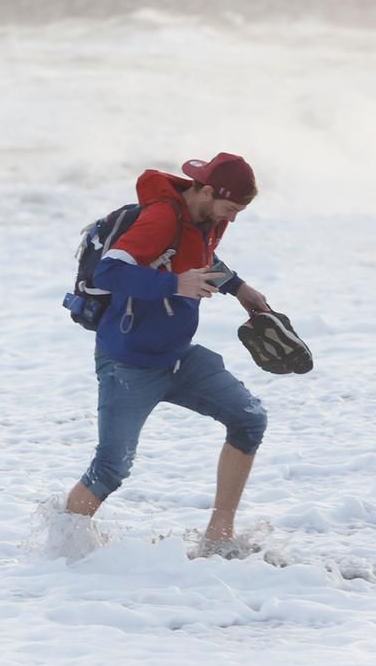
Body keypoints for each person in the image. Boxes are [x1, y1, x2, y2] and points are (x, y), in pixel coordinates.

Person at [64, 152, 271, 556]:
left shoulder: (209, 218)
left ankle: (219, 538)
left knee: (249, 420)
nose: (232, 218)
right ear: (207, 191)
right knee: (110, 469)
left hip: (180, 358)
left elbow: (200, 255)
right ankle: (60, 555)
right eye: (230, 208)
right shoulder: (160, 218)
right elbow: (109, 271)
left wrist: (240, 288)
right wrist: (175, 285)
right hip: (129, 365)